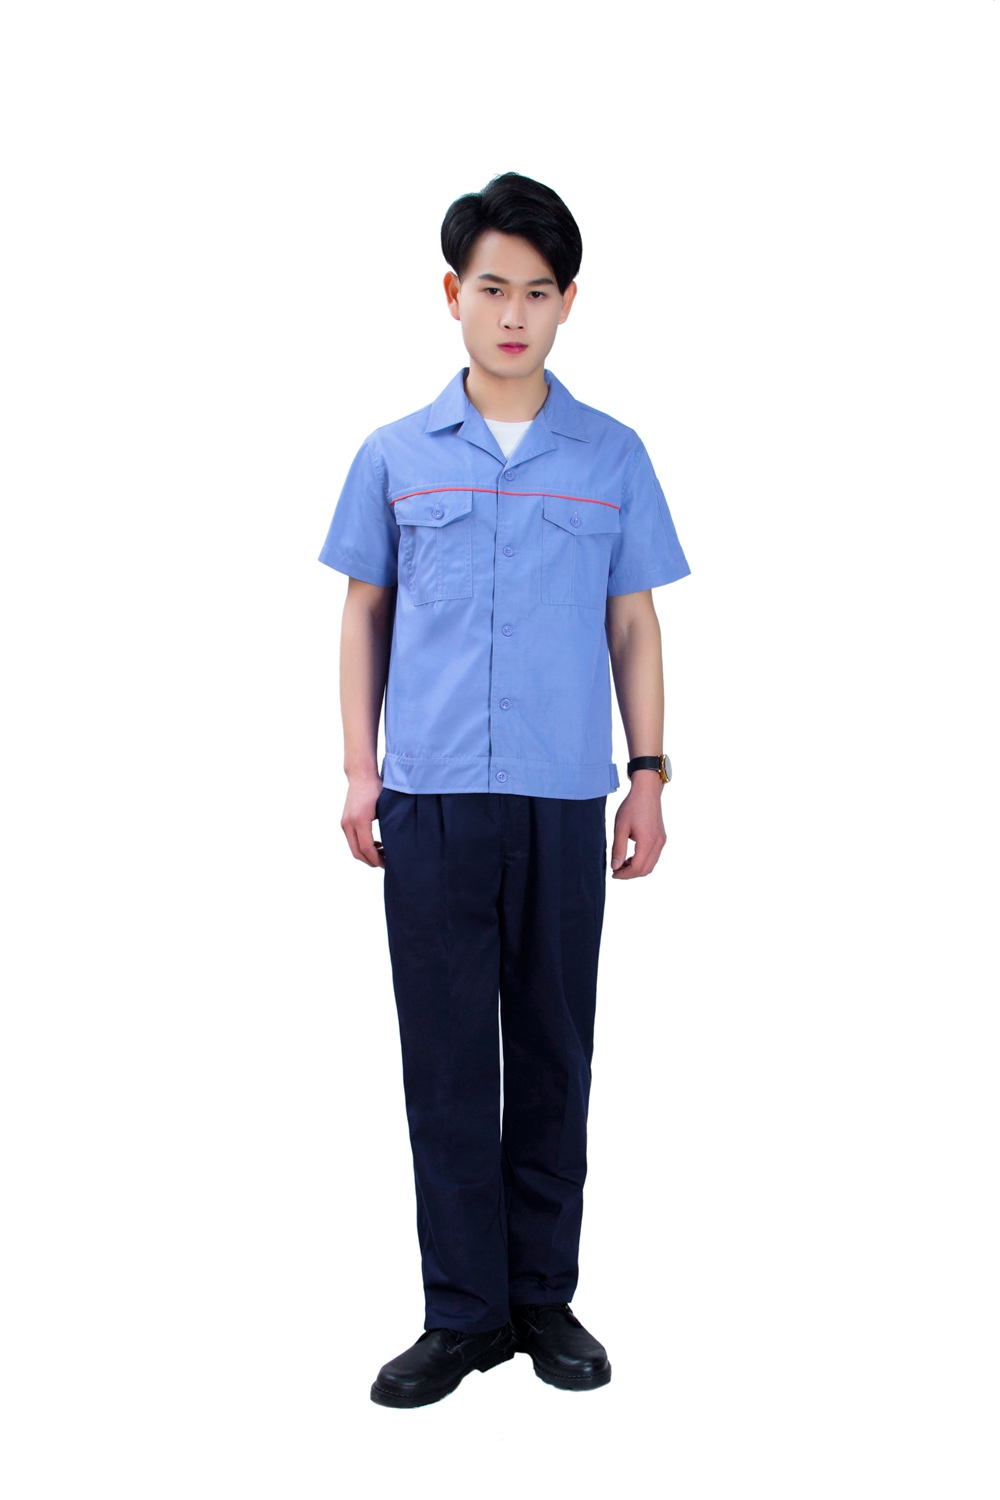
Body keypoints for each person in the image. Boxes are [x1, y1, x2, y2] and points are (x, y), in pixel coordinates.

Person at [319, 173, 690, 1408]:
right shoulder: (393, 455)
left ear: (568, 301)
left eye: (538, 291)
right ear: (452, 295)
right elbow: (363, 615)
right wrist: (360, 770)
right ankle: (461, 1315)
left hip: (560, 798)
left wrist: (647, 777)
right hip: (428, 798)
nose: (514, 313)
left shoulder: (612, 454)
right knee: (443, 1066)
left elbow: (632, 624)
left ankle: (541, 1302)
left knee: (550, 1055)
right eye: (492, 288)